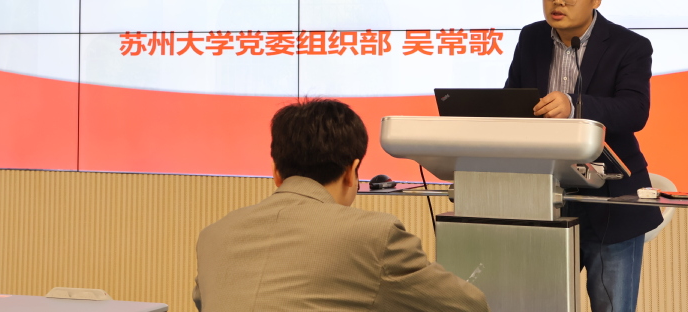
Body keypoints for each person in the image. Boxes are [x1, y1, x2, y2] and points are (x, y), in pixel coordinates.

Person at [193, 98, 490, 312]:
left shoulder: (214, 236)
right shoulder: (374, 235)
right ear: (352, 172)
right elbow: (469, 305)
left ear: (276, 172)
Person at [505, 0, 661, 312]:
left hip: (610, 199)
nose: (558, 0)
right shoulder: (531, 38)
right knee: (536, 303)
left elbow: (635, 111)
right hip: (546, 196)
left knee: (611, 307)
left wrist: (575, 106)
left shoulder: (629, 46)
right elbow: (513, 99)